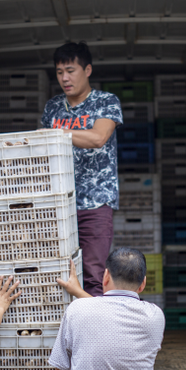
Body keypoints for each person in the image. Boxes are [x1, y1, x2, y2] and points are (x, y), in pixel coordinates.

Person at [40, 41, 124, 297]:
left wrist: (57, 133)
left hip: (95, 204)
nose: (65, 78)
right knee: (54, 272)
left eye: (70, 70)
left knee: (94, 274)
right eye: (59, 72)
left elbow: (98, 138)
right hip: (58, 203)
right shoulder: (53, 107)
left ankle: (94, 334)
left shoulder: (105, 101)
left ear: (87, 70)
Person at [47, 247, 165, 370]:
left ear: (106, 276)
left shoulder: (77, 310)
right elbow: (113, 312)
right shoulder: (154, 317)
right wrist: (79, 292)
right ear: (143, 283)